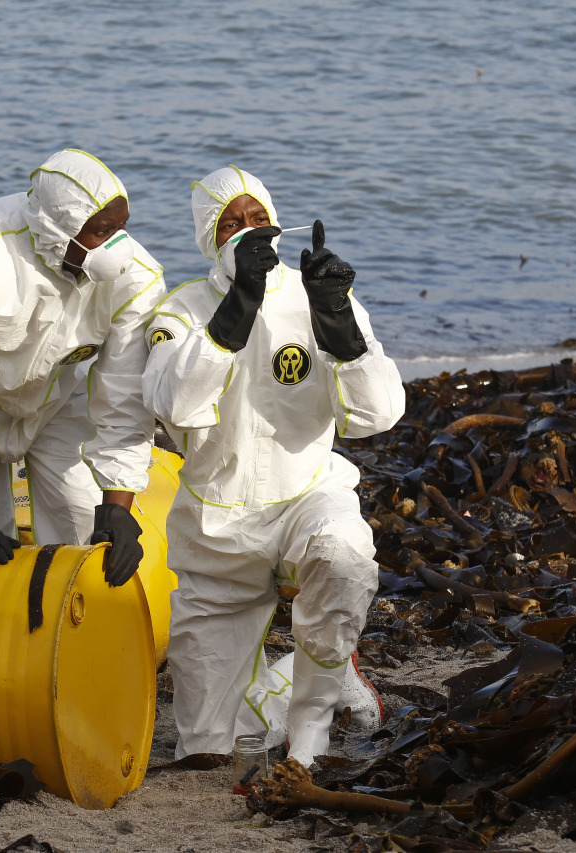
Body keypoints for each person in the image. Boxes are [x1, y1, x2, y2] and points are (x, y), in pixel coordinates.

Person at [142, 166, 406, 767]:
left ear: (277, 222)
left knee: (344, 559)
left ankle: (310, 735)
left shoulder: (320, 296)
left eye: (257, 219)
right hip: (217, 532)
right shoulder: (179, 313)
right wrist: (238, 305)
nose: (248, 232)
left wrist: (338, 323)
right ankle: (315, 673)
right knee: (209, 749)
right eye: (230, 224)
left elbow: (379, 414)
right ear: (212, 240)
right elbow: (174, 405)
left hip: (306, 496)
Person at [0, 149, 164, 585]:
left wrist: (118, 505)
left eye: (122, 227)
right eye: (101, 231)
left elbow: (125, 399)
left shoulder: (138, 280)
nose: (119, 244)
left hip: (59, 403)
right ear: (59, 232)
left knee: (83, 527)